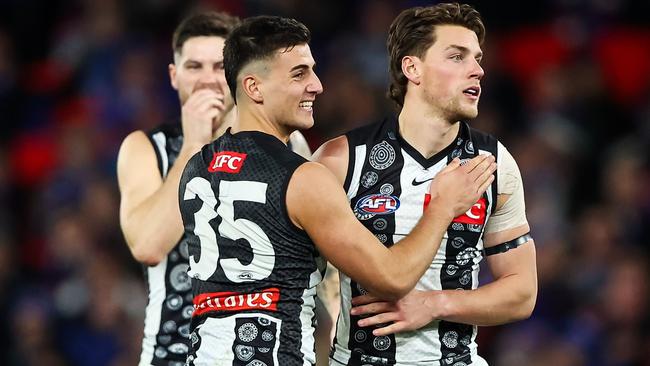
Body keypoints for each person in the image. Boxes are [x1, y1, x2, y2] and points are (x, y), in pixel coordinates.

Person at [177, 15, 496, 366]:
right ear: (254, 88)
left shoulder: (196, 169)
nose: (316, 85)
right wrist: (442, 208)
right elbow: (392, 279)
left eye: (312, 71)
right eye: (299, 74)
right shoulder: (303, 179)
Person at [313, 3, 538, 366]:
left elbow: (522, 293)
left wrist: (435, 303)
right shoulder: (341, 160)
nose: (478, 70)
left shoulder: (493, 163)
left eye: (477, 58)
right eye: (457, 57)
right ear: (412, 68)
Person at [116, 10, 314, 366]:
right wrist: (195, 145)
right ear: (174, 77)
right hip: (171, 351)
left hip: (261, 351)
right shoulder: (146, 148)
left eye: (217, 66)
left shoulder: (289, 145)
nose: (208, 80)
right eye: (194, 67)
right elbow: (147, 246)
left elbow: (316, 259)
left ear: (237, 73)